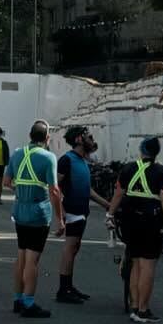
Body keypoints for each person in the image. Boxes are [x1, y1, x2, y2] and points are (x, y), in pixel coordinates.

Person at [106, 136, 163, 323]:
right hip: (150, 222)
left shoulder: (128, 168)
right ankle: (144, 310)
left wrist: (110, 214)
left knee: (135, 263)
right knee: (148, 265)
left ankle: (134, 306)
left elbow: (119, 192)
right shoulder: (161, 172)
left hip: (129, 220)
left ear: (141, 150)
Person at [4, 120, 64, 318]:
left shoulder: (17, 153)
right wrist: (60, 219)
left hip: (20, 210)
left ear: (30, 136)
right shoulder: (48, 157)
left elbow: (6, 182)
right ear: (47, 138)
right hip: (39, 212)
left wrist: (21, 190)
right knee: (32, 260)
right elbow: (54, 190)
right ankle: (29, 302)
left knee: (21, 255)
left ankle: (17, 298)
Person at [54, 125, 109, 305]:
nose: (92, 140)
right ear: (78, 139)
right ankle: (63, 289)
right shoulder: (67, 160)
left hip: (81, 211)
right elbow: (55, 186)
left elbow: (89, 190)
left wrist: (108, 206)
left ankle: (69, 286)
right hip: (72, 211)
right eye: (88, 136)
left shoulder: (82, 161)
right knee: (70, 249)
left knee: (74, 248)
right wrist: (60, 214)